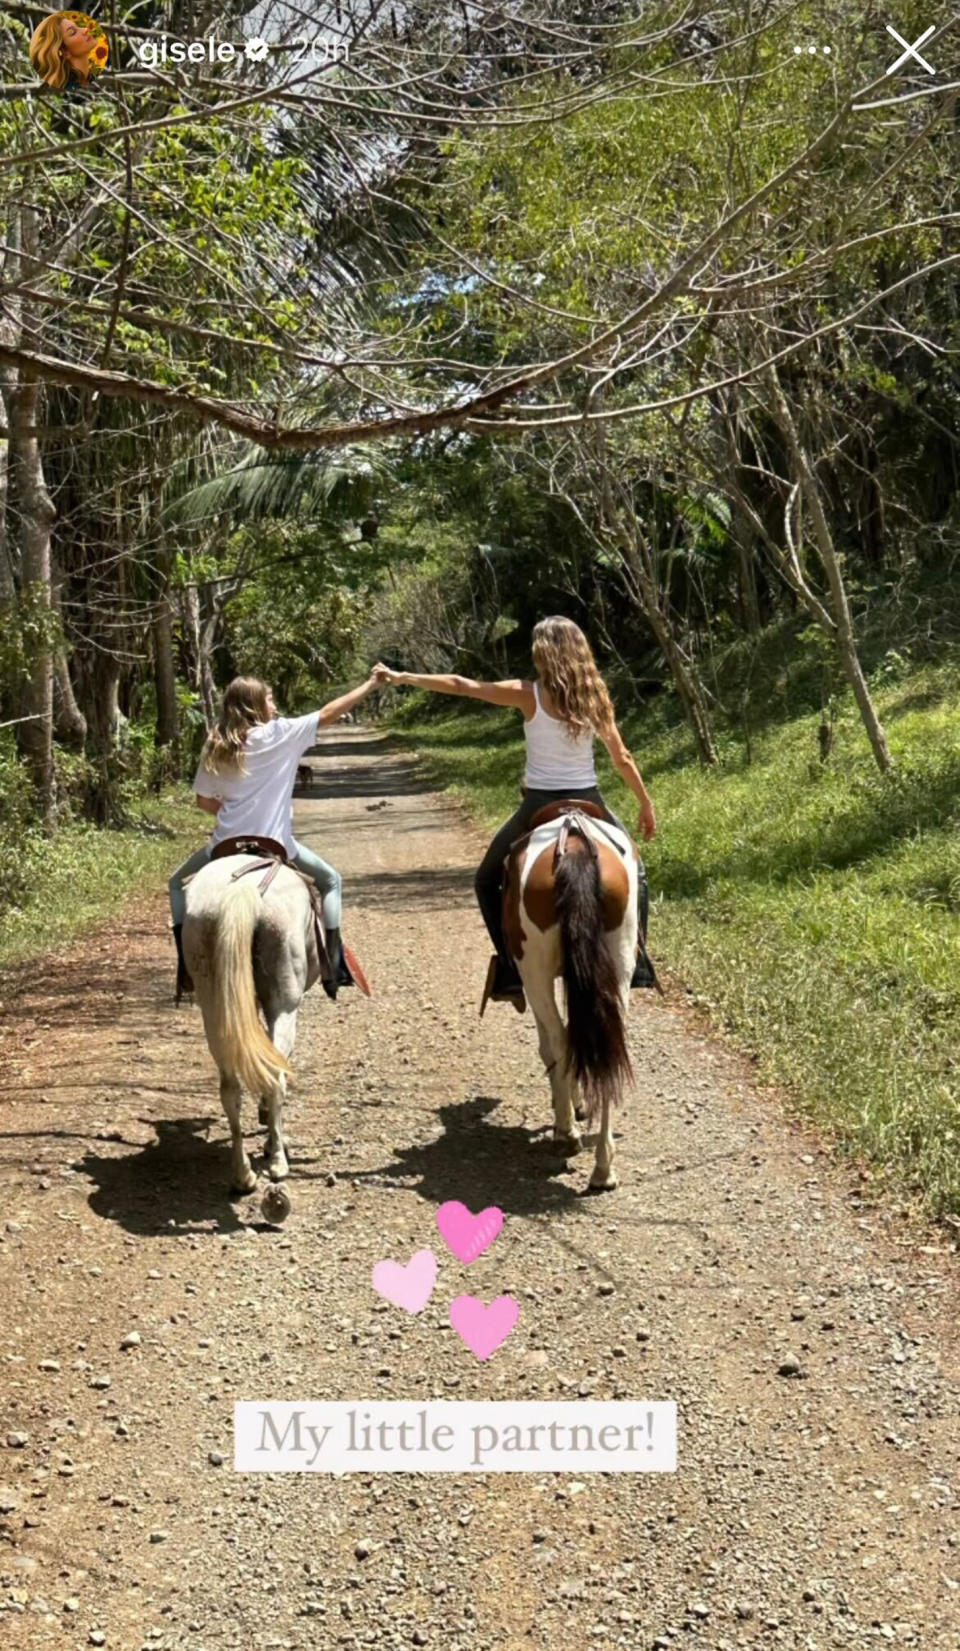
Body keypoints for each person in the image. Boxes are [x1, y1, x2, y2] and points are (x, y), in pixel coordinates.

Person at [373, 616, 657, 1000]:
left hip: (539, 803)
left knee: (486, 879)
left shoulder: (529, 694)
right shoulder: (595, 697)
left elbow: (463, 686)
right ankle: (637, 961)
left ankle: (510, 966)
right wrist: (645, 803)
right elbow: (621, 757)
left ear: (543, 654)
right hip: (590, 799)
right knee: (635, 872)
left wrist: (404, 676)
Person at [168, 673, 379, 1002]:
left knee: (175, 883)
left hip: (223, 847)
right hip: (275, 844)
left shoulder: (217, 742)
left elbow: (204, 802)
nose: (274, 705)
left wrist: (234, 812)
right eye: (269, 699)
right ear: (254, 705)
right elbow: (329, 713)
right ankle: (335, 964)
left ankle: (186, 969)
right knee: (331, 880)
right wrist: (371, 684)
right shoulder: (283, 733)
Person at [29, 11, 108, 90]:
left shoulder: (91, 77)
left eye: (78, 27)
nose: (85, 29)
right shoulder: (70, 89)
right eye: (73, 32)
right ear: (65, 53)